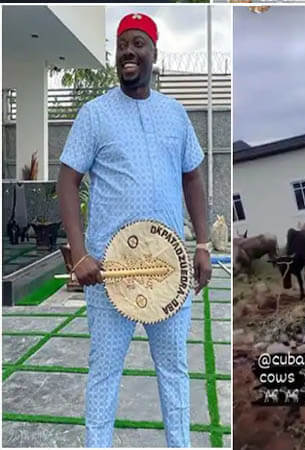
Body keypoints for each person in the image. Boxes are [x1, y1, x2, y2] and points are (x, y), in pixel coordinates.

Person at [56, 13, 212, 447]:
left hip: (167, 270)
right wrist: (81, 252)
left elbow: (193, 178)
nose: (129, 51)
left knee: (175, 370)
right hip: (110, 273)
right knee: (104, 371)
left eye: (139, 43)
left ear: (154, 54)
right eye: (123, 44)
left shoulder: (176, 114)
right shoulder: (94, 114)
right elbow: (67, 180)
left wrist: (202, 244)